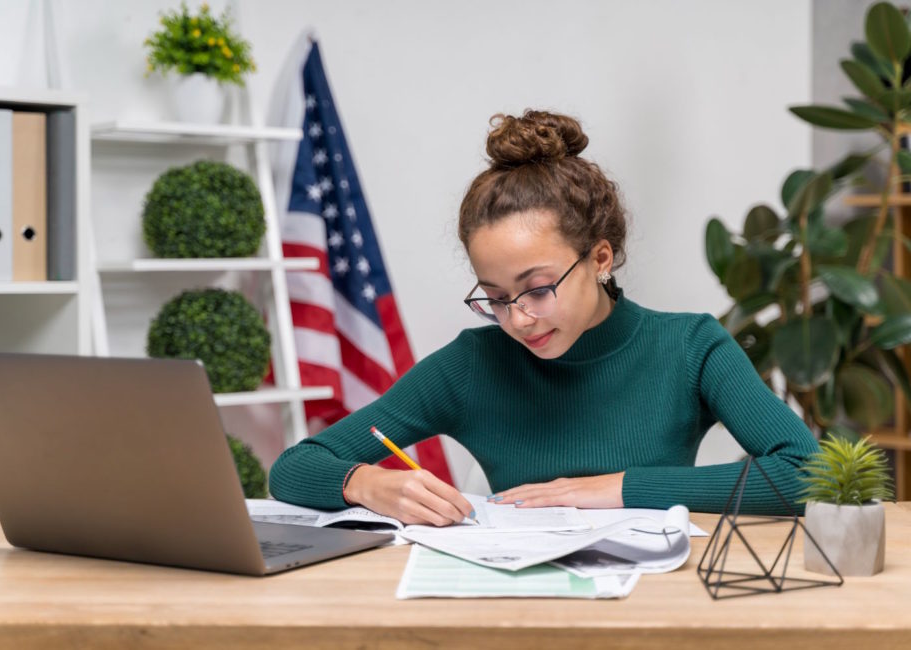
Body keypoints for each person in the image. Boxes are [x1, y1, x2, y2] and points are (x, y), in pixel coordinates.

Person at [269, 109, 819, 525]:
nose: (519, 319)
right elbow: (293, 468)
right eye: (496, 296)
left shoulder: (690, 345)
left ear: (600, 258)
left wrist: (619, 488)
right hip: (511, 606)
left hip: (651, 608)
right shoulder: (471, 365)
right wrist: (366, 483)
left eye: (536, 288)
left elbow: (805, 473)